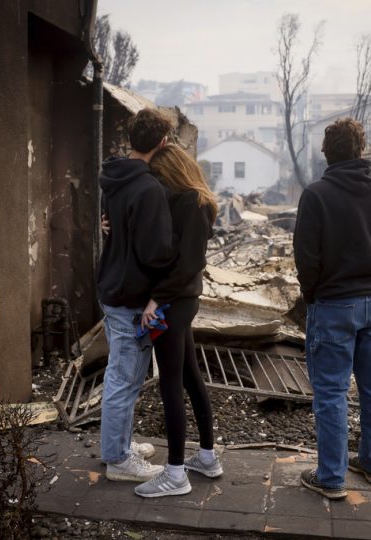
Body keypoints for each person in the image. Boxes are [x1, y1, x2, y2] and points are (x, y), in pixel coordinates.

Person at [293, 118, 371, 500]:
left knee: (330, 392)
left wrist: (313, 296)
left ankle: (331, 477)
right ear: (361, 151)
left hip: (332, 305)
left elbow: (306, 259)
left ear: (328, 152)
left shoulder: (316, 195)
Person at [132, 143, 222, 498]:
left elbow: (188, 263)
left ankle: (174, 473)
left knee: (170, 383)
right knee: (189, 375)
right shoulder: (187, 200)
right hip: (183, 300)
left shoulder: (189, 202)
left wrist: (158, 298)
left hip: (175, 303)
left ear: (167, 170)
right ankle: (207, 457)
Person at [96, 108, 175, 482]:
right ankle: (117, 460)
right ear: (162, 143)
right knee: (123, 379)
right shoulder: (149, 189)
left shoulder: (112, 175)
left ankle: (120, 444)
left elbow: (112, 226)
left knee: (121, 375)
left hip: (111, 289)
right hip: (130, 298)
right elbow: (156, 253)